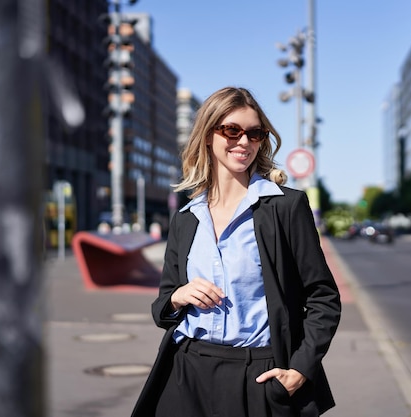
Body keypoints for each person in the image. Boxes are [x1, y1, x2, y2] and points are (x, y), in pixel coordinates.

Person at [131, 86, 341, 417]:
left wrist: (300, 369)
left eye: (255, 133)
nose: (244, 142)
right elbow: (162, 308)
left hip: (258, 376)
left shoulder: (285, 207)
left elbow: (323, 298)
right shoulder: (186, 218)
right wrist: (178, 297)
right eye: (232, 130)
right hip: (187, 370)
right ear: (208, 135)